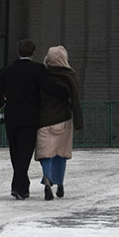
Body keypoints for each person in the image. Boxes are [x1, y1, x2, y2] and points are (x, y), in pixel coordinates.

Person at [0, 39, 69, 200]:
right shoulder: (38, 69)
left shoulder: (6, 71)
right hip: (30, 117)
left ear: (18, 52)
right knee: (24, 154)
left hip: (12, 117)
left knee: (15, 153)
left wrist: (5, 104)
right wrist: (66, 93)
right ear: (33, 53)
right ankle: (18, 187)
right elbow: (49, 87)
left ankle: (21, 188)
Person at [35, 45, 84, 200]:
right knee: (60, 154)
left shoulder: (42, 76)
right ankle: (60, 183)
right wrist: (78, 122)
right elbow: (75, 100)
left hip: (44, 120)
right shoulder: (69, 77)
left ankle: (48, 182)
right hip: (63, 119)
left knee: (46, 153)